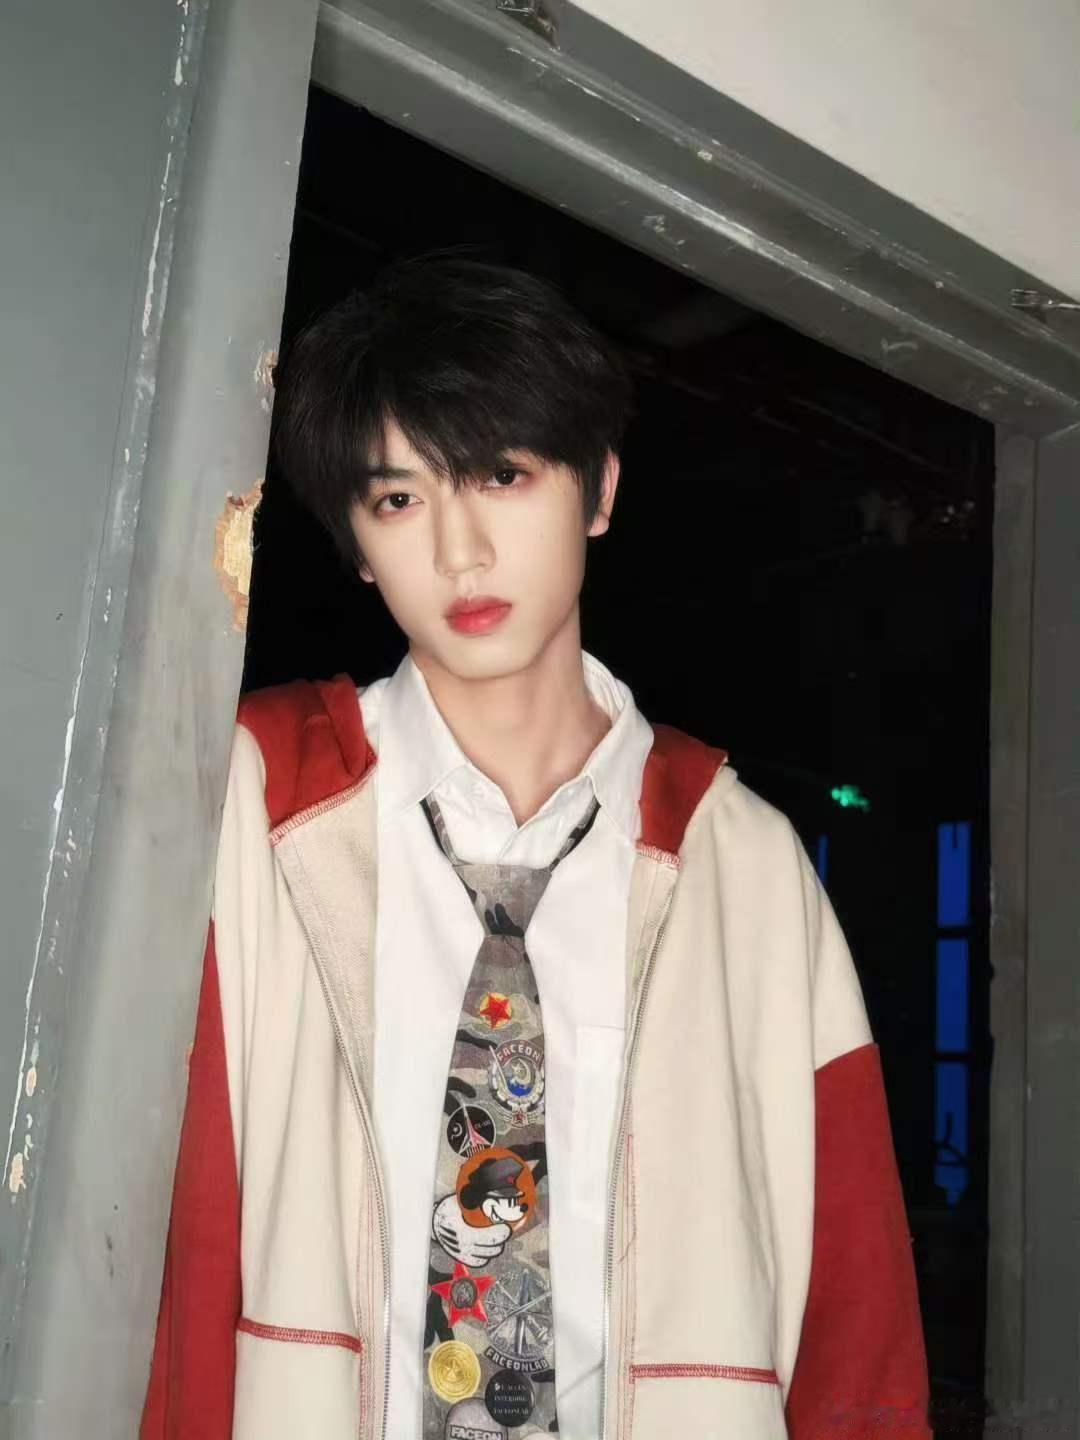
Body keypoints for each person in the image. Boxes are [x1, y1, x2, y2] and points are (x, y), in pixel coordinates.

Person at [141, 257, 931, 1439]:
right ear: (356, 541)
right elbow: (157, 1242)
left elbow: (854, 1312)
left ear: (598, 488)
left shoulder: (744, 864)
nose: (460, 552)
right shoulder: (256, 805)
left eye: (502, 475)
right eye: (398, 500)